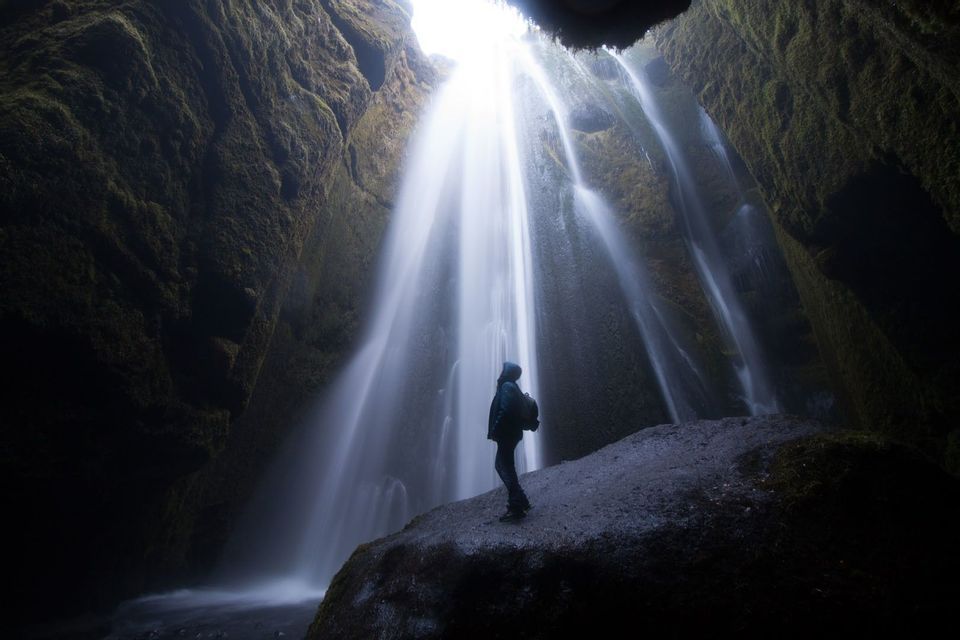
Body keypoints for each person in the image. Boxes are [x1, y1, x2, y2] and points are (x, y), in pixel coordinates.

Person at [487, 361, 532, 522]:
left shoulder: (507, 387)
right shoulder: (512, 387)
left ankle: (516, 506)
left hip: (507, 434)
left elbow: (506, 411)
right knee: (507, 466)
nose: (500, 373)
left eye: (503, 370)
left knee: (501, 466)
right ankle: (522, 501)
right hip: (512, 433)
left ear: (507, 372)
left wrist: (495, 429)